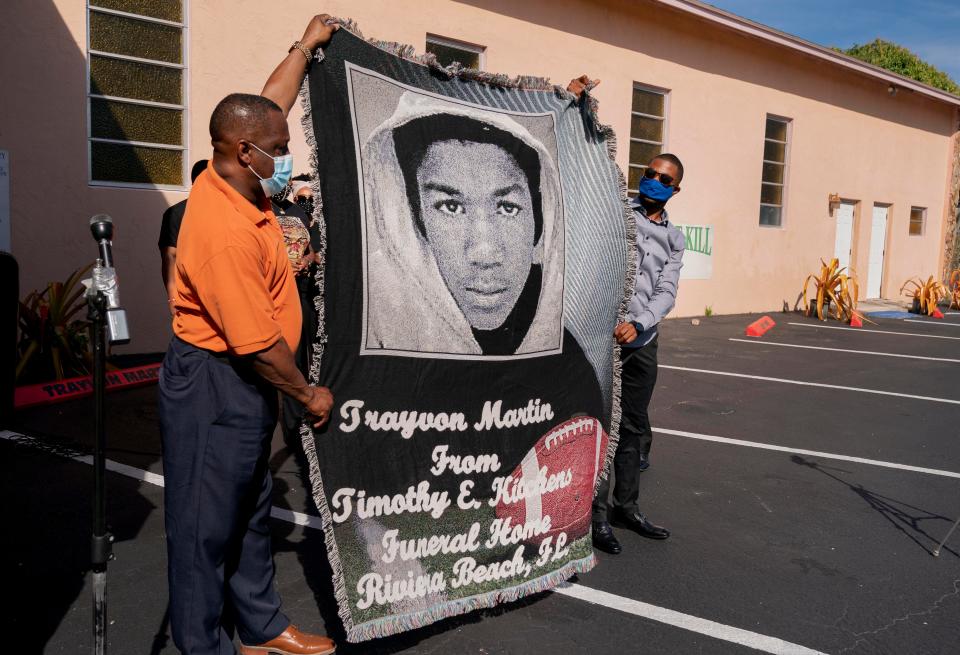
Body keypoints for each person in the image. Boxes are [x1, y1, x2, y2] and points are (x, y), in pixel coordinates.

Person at [158, 14, 339, 655]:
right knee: (204, 527)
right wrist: (307, 395)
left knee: (250, 506)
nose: (287, 156)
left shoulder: (243, 179)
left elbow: (271, 104)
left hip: (241, 385)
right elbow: (257, 346)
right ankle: (203, 646)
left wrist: (305, 46)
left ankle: (260, 628)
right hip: (218, 382)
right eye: (279, 148)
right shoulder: (223, 230)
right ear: (244, 151)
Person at [360, 94, 564, 357]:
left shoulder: (566, 327)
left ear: (539, 219)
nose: (484, 253)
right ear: (415, 219)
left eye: (507, 208)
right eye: (451, 207)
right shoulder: (375, 315)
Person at [593, 153, 686, 554]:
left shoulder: (675, 238)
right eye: (648, 174)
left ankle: (626, 508)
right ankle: (596, 517)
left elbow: (667, 289)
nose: (652, 181)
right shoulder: (617, 213)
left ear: (674, 190)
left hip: (642, 341)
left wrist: (643, 321)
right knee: (601, 427)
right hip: (604, 337)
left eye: (663, 179)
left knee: (633, 427)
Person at [159, 159, 209, 315]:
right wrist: (173, 299)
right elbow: (169, 258)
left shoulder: (226, 212)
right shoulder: (176, 213)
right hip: (190, 301)